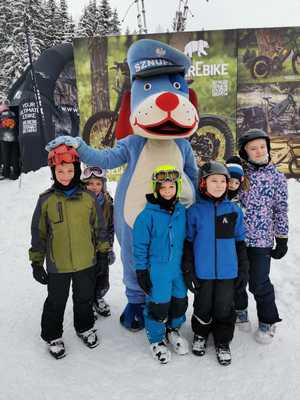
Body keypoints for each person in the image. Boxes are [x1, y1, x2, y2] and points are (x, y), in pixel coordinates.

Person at [29, 144, 110, 359]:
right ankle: (52, 335)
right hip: (58, 264)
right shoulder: (46, 200)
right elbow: (38, 233)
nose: (65, 176)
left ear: (76, 170)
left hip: (87, 262)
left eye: (70, 170)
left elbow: (100, 228)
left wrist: (102, 254)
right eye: (60, 171)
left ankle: (84, 327)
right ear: (53, 172)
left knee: (84, 298)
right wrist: (36, 262)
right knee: (56, 300)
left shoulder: (88, 198)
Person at [182, 161, 249, 366]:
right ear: (203, 183)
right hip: (203, 272)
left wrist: (243, 269)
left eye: (223, 181)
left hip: (228, 272)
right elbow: (188, 242)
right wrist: (188, 269)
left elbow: (239, 242)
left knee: (223, 307)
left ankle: (222, 341)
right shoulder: (194, 212)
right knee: (202, 305)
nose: (219, 185)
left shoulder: (233, 211)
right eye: (214, 180)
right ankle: (200, 334)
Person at [236, 129, 288, 344]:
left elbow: (281, 209)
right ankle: (239, 310)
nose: (258, 151)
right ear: (245, 152)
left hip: (262, 240)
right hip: (237, 238)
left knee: (259, 281)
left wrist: (282, 237)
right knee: (237, 279)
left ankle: (268, 319)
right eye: (253, 148)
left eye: (262, 147)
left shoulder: (277, 177)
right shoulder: (239, 174)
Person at [133, 165, 189, 364]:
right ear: (156, 188)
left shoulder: (182, 212)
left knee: (180, 301)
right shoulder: (146, 216)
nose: (167, 191)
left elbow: (188, 238)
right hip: (157, 271)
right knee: (159, 305)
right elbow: (139, 246)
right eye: (162, 187)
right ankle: (156, 339)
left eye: (171, 187)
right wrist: (141, 270)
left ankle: (172, 329)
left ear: (178, 187)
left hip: (177, 270)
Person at [81, 166, 115, 318]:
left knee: (102, 277)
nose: (94, 187)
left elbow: (111, 227)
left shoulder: (107, 202)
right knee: (86, 280)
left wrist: (110, 248)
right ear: (84, 184)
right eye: (90, 183)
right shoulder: (78, 202)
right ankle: (87, 303)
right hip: (85, 249)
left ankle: (98, 297)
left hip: (102, 247)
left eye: (98, 183)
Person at [0, 102, 21, 180]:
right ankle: (16, 172)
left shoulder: (1, 116)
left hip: (4, 139)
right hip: (15, 138)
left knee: (5, 156)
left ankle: (6, 172)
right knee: (14, 155)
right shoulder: (14, 114)